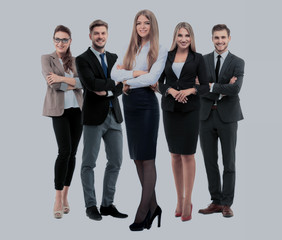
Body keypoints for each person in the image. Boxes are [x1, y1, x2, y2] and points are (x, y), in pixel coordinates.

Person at [111, 9, 167, 231]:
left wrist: (127, 76)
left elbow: (153, 78)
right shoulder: (131, 49)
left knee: (148, 159)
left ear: (152, 25)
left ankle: (143, 212)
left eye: (146, 23)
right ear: (135, 26)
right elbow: (114, 76)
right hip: (130, 104)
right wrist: (135, 74)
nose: (142, 26)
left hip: (146, 105)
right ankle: (154, 207)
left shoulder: (160, 50)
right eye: (138, 23)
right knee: (136, 158)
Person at [75, 19, 127, 221]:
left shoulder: (115, 58)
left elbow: (121, 85)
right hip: (93, 118)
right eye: (96, 33)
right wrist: (111, 86)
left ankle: (107, 204)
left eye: (103, 33)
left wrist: (105, 90)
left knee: (116, 161)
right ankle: (91, 206)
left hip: (115, 116)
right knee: (89, 162)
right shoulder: (82, 59)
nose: (100, 36)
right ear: (90, 36)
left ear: (107, 35)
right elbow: (89, 83)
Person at [158, 22, 209, 222]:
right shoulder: (167, 56)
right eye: (180, 35)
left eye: (187, 35)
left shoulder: (198, 58)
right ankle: (178, 199)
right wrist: (170, 90)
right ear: (175, 37)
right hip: (170, 110)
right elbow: (159, 82)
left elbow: (205, 86)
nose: (183, 39)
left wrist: (190, 90)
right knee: (174, 155)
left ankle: (188, 200)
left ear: (191, 37)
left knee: (188, 154)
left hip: (190, 110)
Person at [198, 24, 245, 218]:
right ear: (212, 39)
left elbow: (236, 90)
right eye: (216, 38)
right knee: (210, 161)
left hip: (228, 117)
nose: (220, 41)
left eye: (223, 38)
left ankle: (227, 203)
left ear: (229, 38)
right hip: (205, 116)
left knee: (229, 162)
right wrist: (221, 87)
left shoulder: (238, 62)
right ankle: (215, 201)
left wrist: (211, 86)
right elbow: (198, 88)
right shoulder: (202, 60)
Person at [41, 25, 83, 219]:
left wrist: (66, 80)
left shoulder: (76, 61)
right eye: (57, 39)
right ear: (53, 40)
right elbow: (54, 84)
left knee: (73, 153)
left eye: (64, 39)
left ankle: (66, 196)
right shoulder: (46, 59)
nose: (60, 43)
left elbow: (84, 83)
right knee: (64, 151)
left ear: (70, 41)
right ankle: (57, 197)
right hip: (59, 112)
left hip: (78, 110)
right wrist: (69, 81)